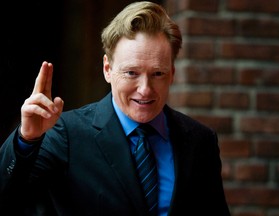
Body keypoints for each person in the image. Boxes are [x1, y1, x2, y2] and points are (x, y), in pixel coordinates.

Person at [0, 1, 231, 216]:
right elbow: (9, 195)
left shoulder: (200, 140)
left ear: (172, 73)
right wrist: (26, 140)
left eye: (157, 73)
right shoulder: (66, 134)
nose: (145, 89)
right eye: (132, 73)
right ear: (107, 69)